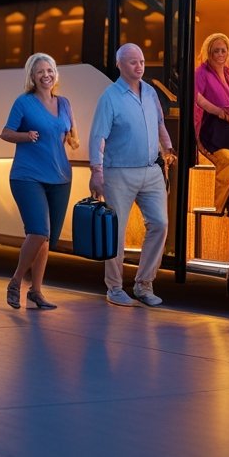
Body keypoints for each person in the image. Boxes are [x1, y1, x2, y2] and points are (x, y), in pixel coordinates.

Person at [89, 43, 176, 307]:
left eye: (141, 62)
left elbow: (160, 123)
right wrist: (96, 171)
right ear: (120, 65)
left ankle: (143, 285)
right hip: (119, 173)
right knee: (116, 232)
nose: (139, 66)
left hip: (151, 170)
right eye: (132, 62)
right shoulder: (110, 97)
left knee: (160, 224)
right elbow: (98, 136)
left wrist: (169, 148)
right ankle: (114, 288)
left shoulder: (149, 92)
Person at [1, 53, 78, 310]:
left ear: (55, 74)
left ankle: (36, 291)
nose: (46, 75)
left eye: (50, 70)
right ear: (32, 77)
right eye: (40, 72)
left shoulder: (65, 103)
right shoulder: (23, 102)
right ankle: (15, 281)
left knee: (47, 239)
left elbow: (70, 133)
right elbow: (6, 133)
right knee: (38, 231)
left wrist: (73, 140)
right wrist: (25, 136)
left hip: (60, 177)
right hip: (27, 176)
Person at [193, 33, 229, 216]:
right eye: (215, 51)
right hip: (211, 129)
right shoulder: (201, 72)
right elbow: (197, 98)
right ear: (208, 52)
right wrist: (218, 111)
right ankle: (217, 208)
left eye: (223, 50)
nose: (220, 54)